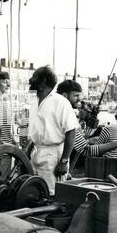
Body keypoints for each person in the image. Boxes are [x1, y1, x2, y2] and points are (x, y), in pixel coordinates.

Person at [27, 67, 79, 196]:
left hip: (53, 156)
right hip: (35, 153)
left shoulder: (60, 102)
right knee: (34, 191)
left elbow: (71, 133)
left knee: (52, 193)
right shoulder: (34, 102)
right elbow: (32, 130)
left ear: (43, 81)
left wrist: (64, 161)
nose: (30, 80)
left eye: (34, 77)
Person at [56, 80, 117, 159]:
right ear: (64, 96)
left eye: (80, 95)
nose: (80, 99)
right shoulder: (67, 115)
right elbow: (87, 150)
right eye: (76, 95)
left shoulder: (57, 110)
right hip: (53, 162)